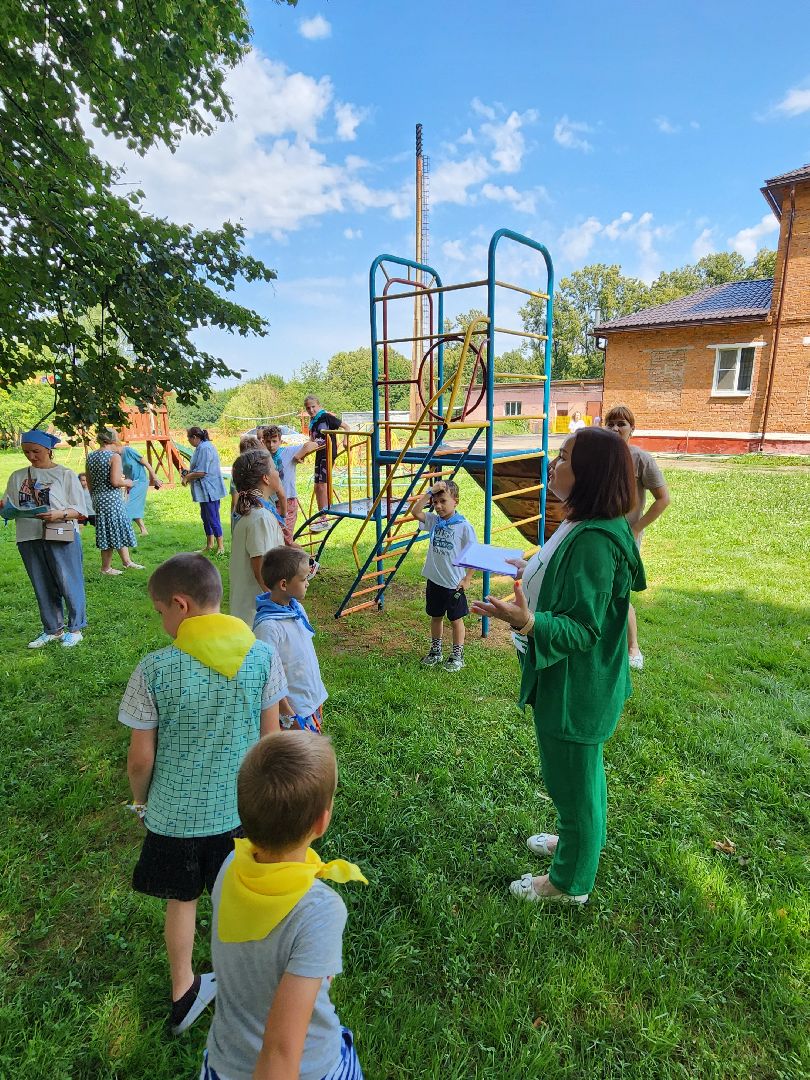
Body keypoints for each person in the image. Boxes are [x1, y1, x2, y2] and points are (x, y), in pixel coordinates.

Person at [471, 428, 646, 905]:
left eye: (564, 457)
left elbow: (584, 630)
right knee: (578, 778)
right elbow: (563, 573)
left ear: (587, 472)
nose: (553, 463)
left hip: (577, 686)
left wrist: (527, 621)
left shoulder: (596, 540)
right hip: (570, 681)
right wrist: (530, 565)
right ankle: (575, 840)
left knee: (574, 783)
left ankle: (568, 882)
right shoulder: (584, 522)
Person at [119, 554, 287, 1035]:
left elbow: (139, 760)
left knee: (182, 901)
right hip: (241, 812)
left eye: (160, 612)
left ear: (180, 604)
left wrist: (141, 801)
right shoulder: (262, 656)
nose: (162, 621)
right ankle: (253, 986)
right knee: (242, 901)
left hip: (173, 817)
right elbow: (270, 739)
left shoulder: (154, 669)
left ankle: (183, 992)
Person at [200, 732, 367, 1080]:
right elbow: (279, 1052)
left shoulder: (233, 865)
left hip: (223, 1061)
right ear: (322, 822)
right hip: (310, 1069)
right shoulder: (320, 911)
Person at [1, 429, 87, 648]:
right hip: (28, 536)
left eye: (35, 451)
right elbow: (8, 506)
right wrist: (5, 509)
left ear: (48, 450)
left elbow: (80, 510)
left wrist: (58, 514)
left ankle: (75, 629)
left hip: (60, 533)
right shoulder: (17, 476)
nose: (31, 456)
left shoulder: (65, 474)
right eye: (26, 452)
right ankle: (53, 629)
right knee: (41, 583)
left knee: (69, 581)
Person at [603, 404, 671, 671]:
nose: (616, 428)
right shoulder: (600, 457)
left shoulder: (641, 459)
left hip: (625, 539)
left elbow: (663, 499)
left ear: (632, 429)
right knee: (600, 588)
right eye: (611, 423)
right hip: (598, 535)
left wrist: (636, 528)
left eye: (622, 424)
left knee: (620, 593)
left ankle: (633, 647)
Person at [254, 547, 327, 733]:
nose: (307, 584)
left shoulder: (297, 609)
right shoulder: (268, 627)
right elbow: (268, 678)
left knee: (313, 752)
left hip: (311, 700)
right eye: (303, 579)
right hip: (294, 712)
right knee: (301, 758)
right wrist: (288, 715)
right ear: (284, 585)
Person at [411, 479, 476, 672]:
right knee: (436, 616)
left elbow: (473, 554)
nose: (438, 506)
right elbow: (415, 512)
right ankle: (436, 651)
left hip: (453, 584)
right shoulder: (434, 521)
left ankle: (457, 655)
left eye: (443, 501)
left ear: (455, 501)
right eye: (435, 502)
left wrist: (467, 579)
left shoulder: (464, 526)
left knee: (456, 620)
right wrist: (430, 492)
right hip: (435, 580)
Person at [230, 450, 286, 629]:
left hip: (256, 617)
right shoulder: (260, 517)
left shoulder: (258, 514)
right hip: (257, 619)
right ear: (266, 478)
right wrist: (281, 607)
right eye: (275, 468)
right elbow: (262, 571)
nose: (278, 472)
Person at [86, 428, 143, 575]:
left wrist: (94, 497)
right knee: (110, 532)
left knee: (115, 529)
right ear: (113, 439)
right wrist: (129, 482)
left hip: (98, 498)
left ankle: (127, 562)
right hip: (111, 499)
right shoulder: (114, 456)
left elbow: (89, 481)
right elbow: (116, 481)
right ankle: (106, 568)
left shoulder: (91, 456)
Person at [261, 425, 320, 545]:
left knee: (286, 539)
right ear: (263, 442)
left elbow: (312, 444)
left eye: (274, 441)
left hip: (288, 501)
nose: (271, 445)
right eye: (268, 442)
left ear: (280, 441)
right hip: (271, 503)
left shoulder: (289, 452)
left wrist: (299, 455)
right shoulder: (263, 457)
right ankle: (281, 562)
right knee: (274, 538)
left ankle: (309, 563)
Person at [303, 397, 349, 533]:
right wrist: (303, 454)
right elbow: (311, 440)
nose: (311, 410)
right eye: (308, 408)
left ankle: (324, 517)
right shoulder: (313, 422)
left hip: (328, 453)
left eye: (313, 407)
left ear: (319, 405)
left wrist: (346, 441)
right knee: (317, 486)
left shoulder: (326, 417)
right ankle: (321, 514)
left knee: (322, 484)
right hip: (319, 454)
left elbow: (346, 426)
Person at [183, 427, 228, 556]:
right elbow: (197, 467)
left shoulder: (205, 448)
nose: (188, 441)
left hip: (210, 490)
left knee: (213, 518)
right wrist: (188, 472)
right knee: (205, 517)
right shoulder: (200, 447)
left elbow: (203, 472)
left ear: (195, 438)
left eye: (189, 439)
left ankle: (221, 546)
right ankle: (209, 544)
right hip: (204, 490)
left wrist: (187, 477)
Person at [119, 439, 161, 536]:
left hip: (141, 482)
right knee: (133, 506)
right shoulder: (116, 457)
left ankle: (124, 533)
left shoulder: (128, 451)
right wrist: (127, 484)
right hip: (131, 483)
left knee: (127, 507)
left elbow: (146, 463)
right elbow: (126, 471)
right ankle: (144, 530)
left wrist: (155, 478)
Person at [229, 434, 263, 526]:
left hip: (242, 514)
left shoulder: (237, 470)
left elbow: (235, 501)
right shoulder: (263, 471)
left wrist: (234, 520)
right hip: (258, 515)